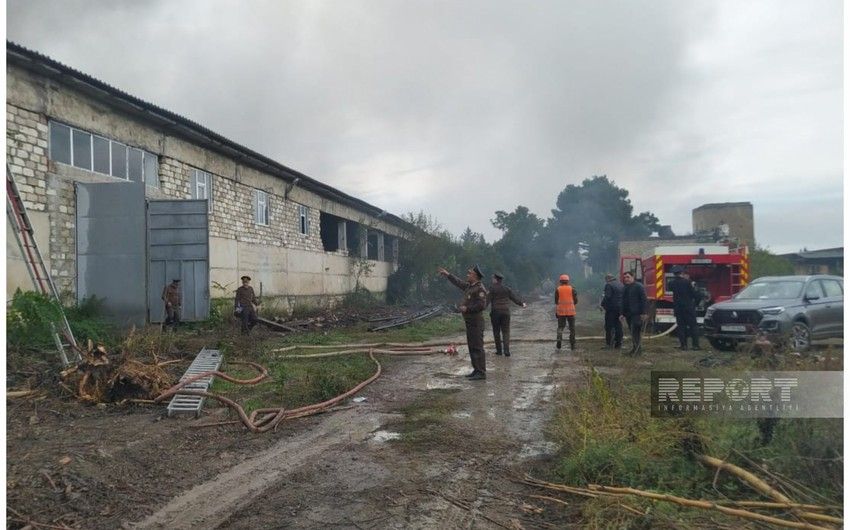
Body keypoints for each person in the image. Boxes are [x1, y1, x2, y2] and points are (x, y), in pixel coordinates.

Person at [438, 265, 488, 380]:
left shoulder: (480, 289)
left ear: (475, 276)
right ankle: (476, 370)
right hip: (470, 321)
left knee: (478, 347)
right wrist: (448, 275)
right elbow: (458, 282)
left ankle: (481, 372)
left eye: (469, 273)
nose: (467, 275)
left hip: (476, 322)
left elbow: (482, 305)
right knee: (472, 346)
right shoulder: (470, 286)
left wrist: (467, 309)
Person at [488, 272, 527, 357]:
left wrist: (480, 308)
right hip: (506, 312)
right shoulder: (507, 289)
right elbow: (514, 298)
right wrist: (522, 304)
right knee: (506, 332)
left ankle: (499, 351)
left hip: (496, 312)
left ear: (495, 279)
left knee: (496, 332)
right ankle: (507, 351)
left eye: (493, 278)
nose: (492, 280)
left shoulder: (491, 288)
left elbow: (487, 301)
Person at [668, 266, 701, 350]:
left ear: (674, 274)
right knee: (693, 326)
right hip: (689, 307)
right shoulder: (688, 282)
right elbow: (696, 295)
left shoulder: (671, 283)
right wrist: (696, 303)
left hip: (678, 308)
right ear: (681, 273)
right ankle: (695, 345)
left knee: (681, 327)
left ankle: (683, 345)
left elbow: (671, 289)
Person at [620, 271, 647, 355]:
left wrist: (644, 313)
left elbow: (644, 300)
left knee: (635, 331)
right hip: (628, 314)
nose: (626, 279)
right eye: (625, 277)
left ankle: (637, 351)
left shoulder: (639, 286)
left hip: (637, 313)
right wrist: (621, 314)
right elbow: (623, 302)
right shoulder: (625, 288)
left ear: (633, 277)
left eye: (628, 277)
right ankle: (635, 348)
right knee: (632, 332)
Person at [599, 273, 624, 349]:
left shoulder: (609, 285)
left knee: (609, 326)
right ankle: (618, 344)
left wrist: (602, 305)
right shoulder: (621, 285)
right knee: (618, 326)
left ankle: (609, 344)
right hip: (620, 309)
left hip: (611, 309)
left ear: (607, 279)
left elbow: (607, 297)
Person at [554, 274, 578, 350]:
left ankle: (559, 339)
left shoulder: (558, 289)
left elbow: (556, 301)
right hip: (571, 312)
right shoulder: (572, 289)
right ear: (568, 281)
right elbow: (576, 301)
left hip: (561, 312)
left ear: (560, 281)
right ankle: (573, 345)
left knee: (560, 327)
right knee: (572, 328)